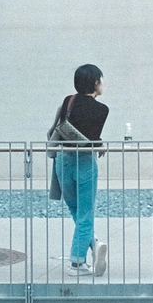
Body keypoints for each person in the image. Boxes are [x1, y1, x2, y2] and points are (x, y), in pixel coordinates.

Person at [47, 64, 109, 277]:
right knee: (85, 214)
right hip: (84, 163)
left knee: (76, 210)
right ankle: (76, 263)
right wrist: (100, 145)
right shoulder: (102, 110)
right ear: (95, 83)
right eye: (101, 80)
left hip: (63, 161)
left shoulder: (69, 101)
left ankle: (94, 243)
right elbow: (91, 137)